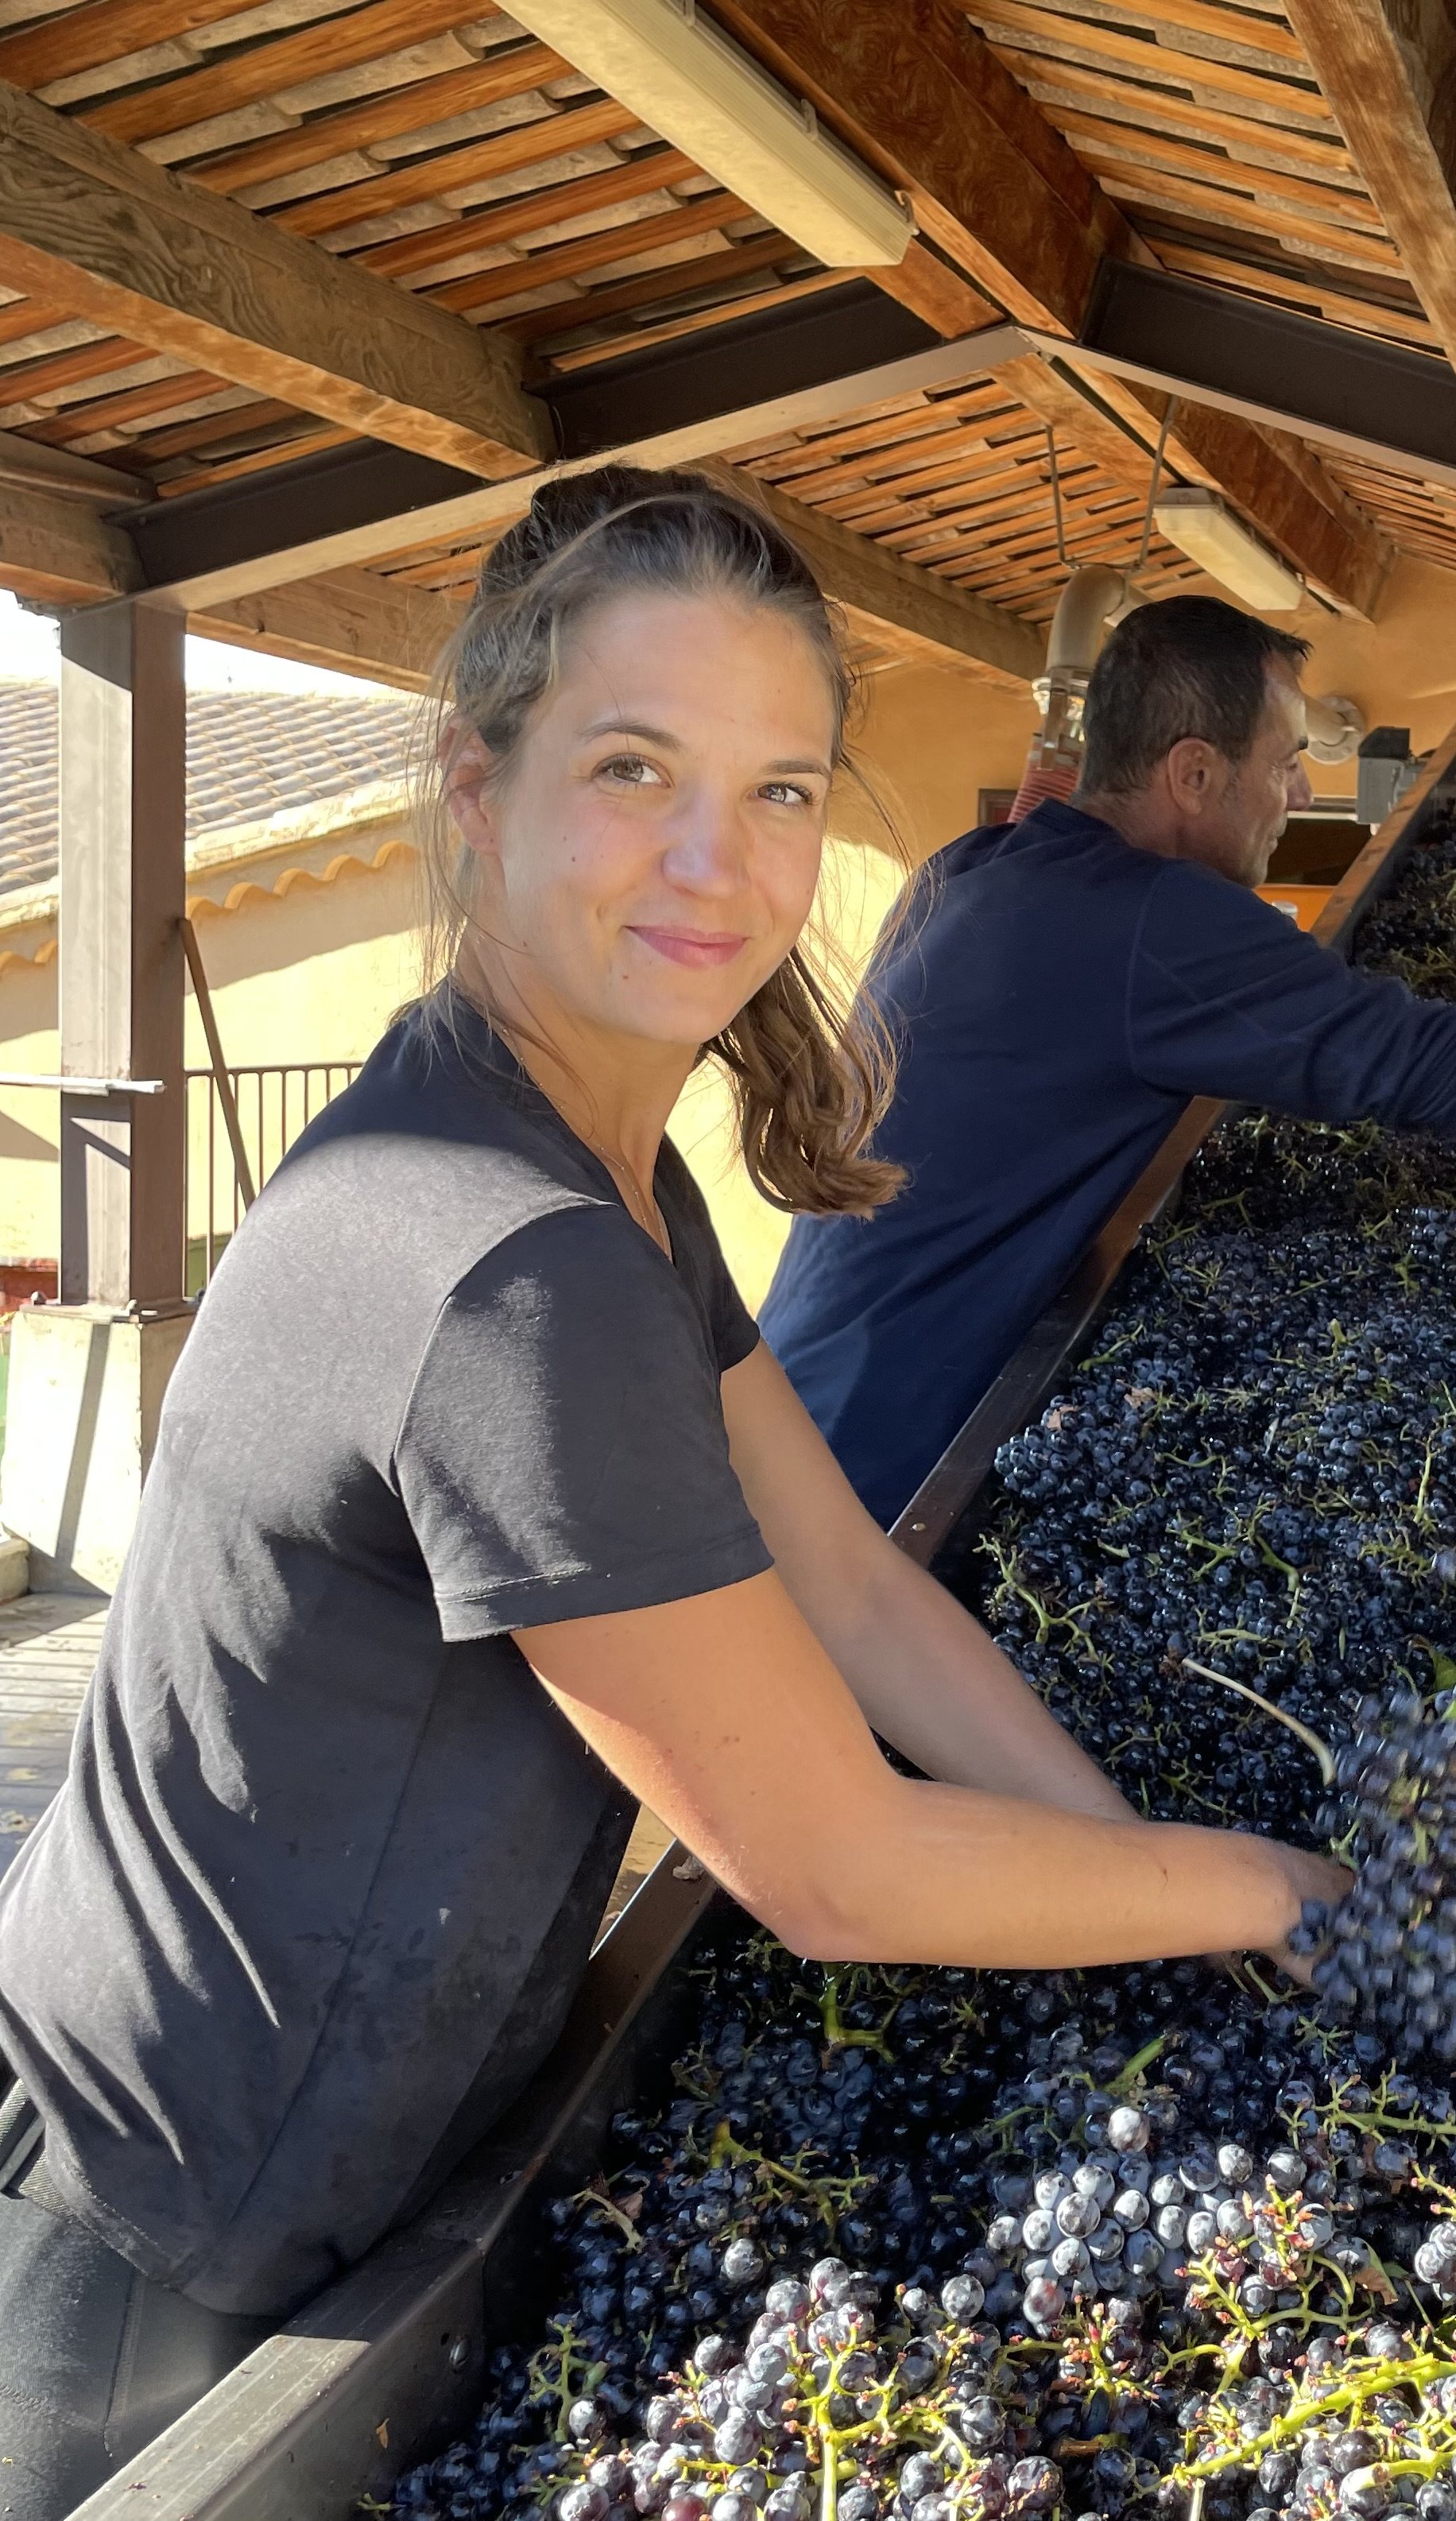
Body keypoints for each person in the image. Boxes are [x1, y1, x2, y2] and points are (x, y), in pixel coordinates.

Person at [0, 477, 1348, 2518]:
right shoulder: (508, 1266)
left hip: (302, 2145)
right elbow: (834, 1867)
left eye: (783, 789)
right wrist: (1273, 1889)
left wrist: (1126, 1861)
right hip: (153, 2233)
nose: (720, 862)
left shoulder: (577, 1154)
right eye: (636, 768)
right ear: (477, 778)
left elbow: (860, 1593)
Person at [761, 596, 1456, 1531]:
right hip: (885, 1476)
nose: (1303, 793)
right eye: (1286, 762)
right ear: (1192, 774)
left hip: (787, 1413)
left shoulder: (968, 868)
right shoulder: (1153, 922)